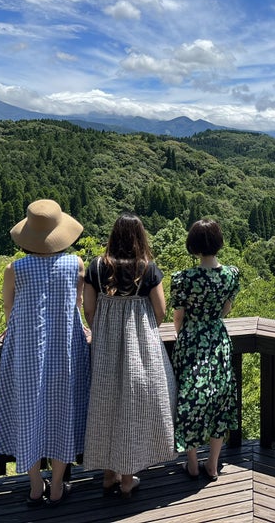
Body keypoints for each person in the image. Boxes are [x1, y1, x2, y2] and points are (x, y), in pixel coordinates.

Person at [0, 199, 90, 507]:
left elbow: (9, 309)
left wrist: (14, 328)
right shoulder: (76, 265)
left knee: (27, 411)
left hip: (26, 348)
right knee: (64, 411)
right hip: (67, 348)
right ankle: (58, 486)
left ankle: (36, 486)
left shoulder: (14, 269)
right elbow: (77, 304)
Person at [82, 213, 177, 499]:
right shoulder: (148, 268)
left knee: (105, 406)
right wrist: (143, 330)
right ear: (140, 237)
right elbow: (160, 311)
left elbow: (89, 309)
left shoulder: (96, 266)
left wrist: (100, 330)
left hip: (105, 347)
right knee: (133, 407)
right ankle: (127, 479)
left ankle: (108, 474)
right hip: (141, 346)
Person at [170, 218, 240, 482]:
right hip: (218, 340)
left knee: (188, 400)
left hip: (191, 341)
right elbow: (226, 309)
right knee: (220, 399)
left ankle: (191, 463)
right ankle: (212, 464)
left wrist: (184, 333)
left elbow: (178, 316)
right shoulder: (231, 274)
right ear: (219, 243)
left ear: (193, 245)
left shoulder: (183, 278)